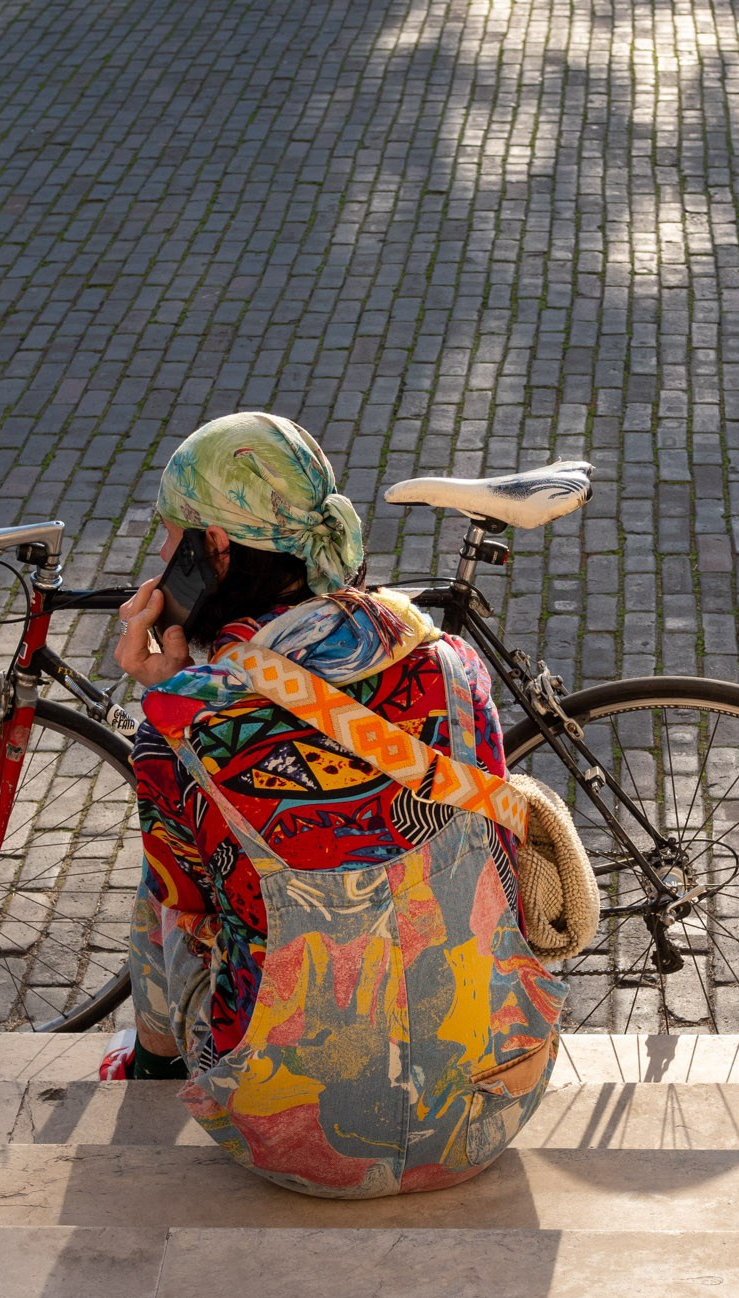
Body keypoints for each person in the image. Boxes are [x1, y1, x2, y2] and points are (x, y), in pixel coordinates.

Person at [100, 411, 565, 1198]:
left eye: (170, 533)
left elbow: (194, 904)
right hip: (493, 1101)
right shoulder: (453, 664)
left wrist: (161, 694)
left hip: (292, 1140)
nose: (160, 555)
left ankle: (148, 1071)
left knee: (164, 897)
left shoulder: (182, 725)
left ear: (212, 550)